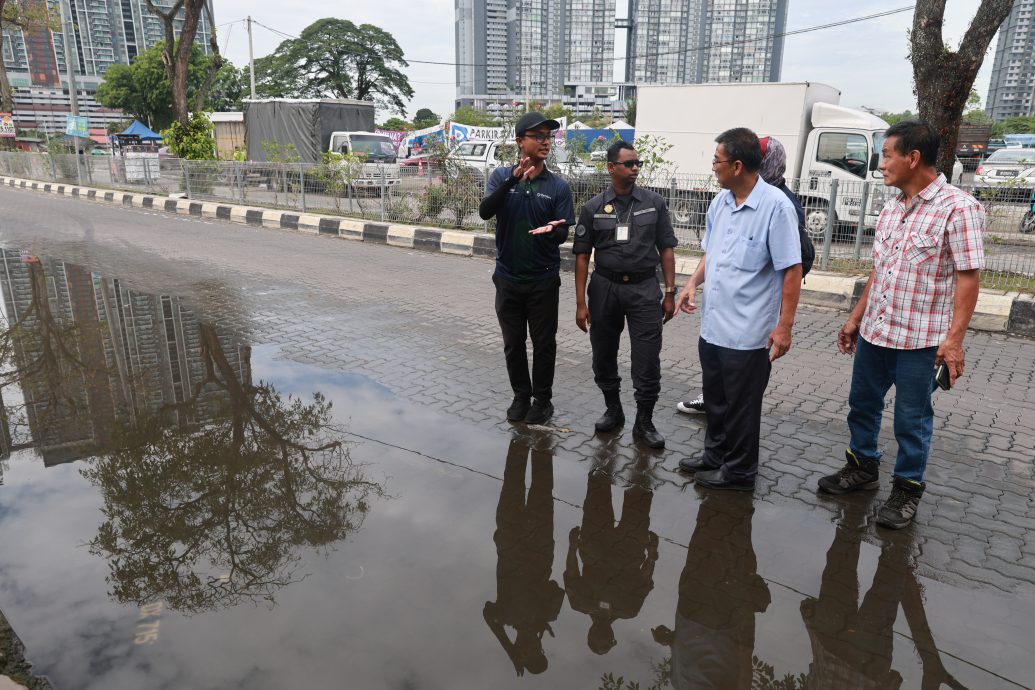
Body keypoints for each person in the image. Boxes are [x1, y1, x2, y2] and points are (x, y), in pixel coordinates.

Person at [818, 120, 985, 529]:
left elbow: (969, 277)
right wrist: (856, 317)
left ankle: (907, 490)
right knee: (863, 406)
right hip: (877, 333)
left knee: (912, 420)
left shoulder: (959, 208)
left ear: (913, 158)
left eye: (888, 154)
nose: (881, 164)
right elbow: (882, 268)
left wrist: (954, 342)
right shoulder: (892, 208)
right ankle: (862, 468)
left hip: (922, 342)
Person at [675, 128, 802, 490]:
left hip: (749, 335)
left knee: (741, 409)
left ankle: (740, 472)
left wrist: (785, 327)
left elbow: (791, 269)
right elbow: (711, 253)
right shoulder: (721, 202)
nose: (712, 167)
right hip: (713, 327)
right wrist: (690, 283)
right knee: (715, 401)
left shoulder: (775, 207)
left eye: (716, 161)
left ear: (737, 164)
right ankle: (714, 456)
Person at [573, 140, 678, 448]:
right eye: (628, 164)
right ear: (610, 167)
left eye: (638, 164)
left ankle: (644, 421)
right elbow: (581, 256)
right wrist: (581, 303)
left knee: (647, 359)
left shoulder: (654, 203)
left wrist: (669, 291)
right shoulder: (592, 208)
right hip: (604, 288)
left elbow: (667, 248)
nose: (635, 169)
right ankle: (613, 409)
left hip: (645, 288)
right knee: (603, 353)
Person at [479, 112, 575, 425]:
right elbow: (484, 212)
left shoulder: (558, 186)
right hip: (507, 277)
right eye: (538, 136)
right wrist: (512, 180)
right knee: (513, 342)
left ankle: (542, 401)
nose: (546, 141)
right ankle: (521, 395)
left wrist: (554, 230)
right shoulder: (501, 178)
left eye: (548, 136)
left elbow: (564, 232)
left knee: (544, 344)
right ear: (520, 142)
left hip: (543, 279)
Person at [483, 435, 564, 676]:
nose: (531, 647)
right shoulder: (548, 615)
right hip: (539, 543)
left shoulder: (504, 618)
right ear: (541, 647)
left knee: (512, 482)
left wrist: (508, 648)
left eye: (525, 652)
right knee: (542, 486)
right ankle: (542, 436)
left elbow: (487, 613)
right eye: (536, 651)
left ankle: (520, 434)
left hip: (509, 539)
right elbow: (556, 588)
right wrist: (539, 621)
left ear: (519, 648)